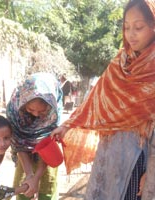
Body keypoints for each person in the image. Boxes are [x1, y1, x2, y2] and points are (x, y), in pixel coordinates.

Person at [51, 0, 155, 199]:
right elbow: (95, 100)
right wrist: (68, 125)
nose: (131, 34)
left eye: (138, 27)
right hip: (111, 152)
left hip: (140, 157)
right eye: (126, 27)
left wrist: (151, 174)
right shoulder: (120, 62)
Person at [6, 72, 63, 200]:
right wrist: (30, 175)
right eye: (31, 110)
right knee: (24, 188)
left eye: (42, 111)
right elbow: (18, 143)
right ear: (23, 102)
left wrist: (36, 177)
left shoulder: (53, 113)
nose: (36, 114)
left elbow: (47, 146)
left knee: (47, 189)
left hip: (47, 157)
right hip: (24, 156)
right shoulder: (14, 111)